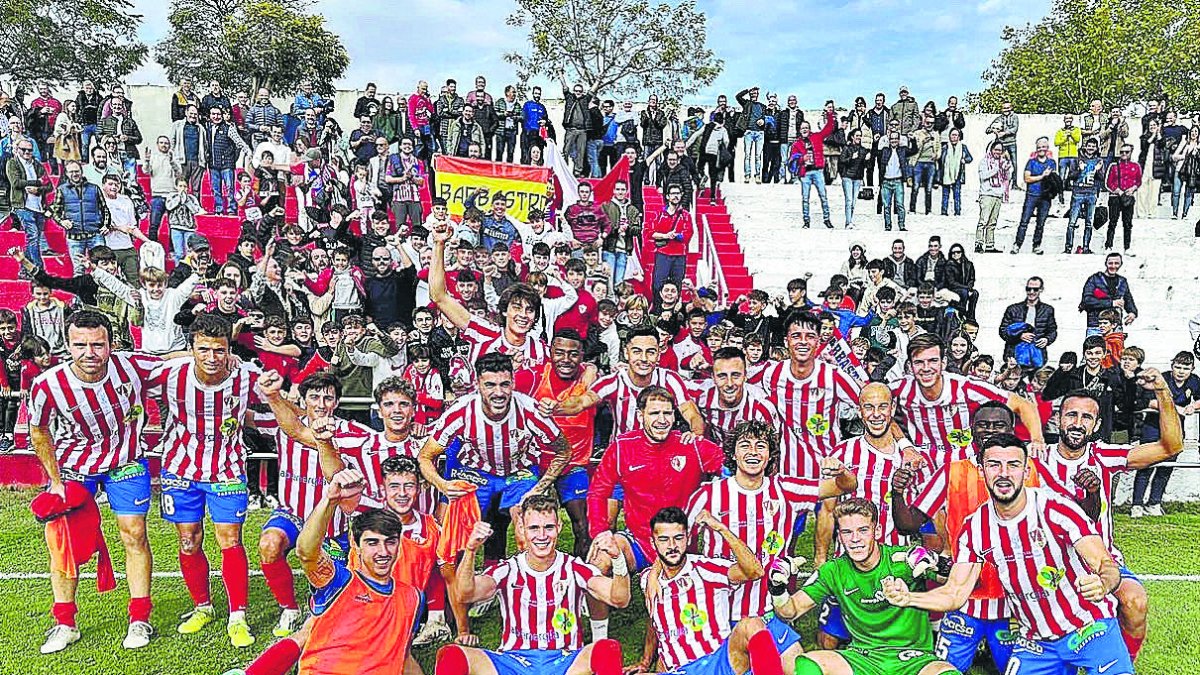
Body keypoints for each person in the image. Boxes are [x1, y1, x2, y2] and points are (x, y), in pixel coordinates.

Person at [881, 434, 1133, 675]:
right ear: (981, 471)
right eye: (994, 465)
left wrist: (1103, 583)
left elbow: (1104, 562)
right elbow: (955, 593)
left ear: (1026, 472)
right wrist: (908, 598)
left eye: (1013, 465)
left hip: (1090, 626)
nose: (1003, 473)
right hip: (1036, 640)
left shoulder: (1057, 509)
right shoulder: (975, 528)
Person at [27, 311, 158, 654]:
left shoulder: (131, 367)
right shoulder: (47, 385)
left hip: (125, 460)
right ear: (67, 345)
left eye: (98, 345)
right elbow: (38, 430)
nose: (89, 352)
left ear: (111, 345)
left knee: (134, 533)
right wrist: (55, 481)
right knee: (63, 543)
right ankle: (65, 623)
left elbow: (172, 362)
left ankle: (139, 617)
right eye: (80, 345)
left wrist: (221, 354)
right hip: (74, 467)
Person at [1039, 381, 1183, 662]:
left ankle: (1124, 662)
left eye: (1086, 417)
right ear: (1057, 419)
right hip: (1047, 564)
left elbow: (1170, 446)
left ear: (1096, 425)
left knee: (1135, 601)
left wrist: (1163, 392)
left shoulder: (1103, 456)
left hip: (1100, 562)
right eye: (1071, 415)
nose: (1077, 423)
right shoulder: (1034, 457)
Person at [154, 315, 260, 647]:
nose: (212, 357)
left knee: (229, 540)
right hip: (180, 469)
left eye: (219, 349)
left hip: (227, 470)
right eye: (203, 349)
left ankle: (237, 616)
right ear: (191, 349)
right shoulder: (171, 375)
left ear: (230, 348)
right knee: (189, 541)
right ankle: (203, 606)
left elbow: (283, 395)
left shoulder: (246, 376)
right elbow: (135, 367)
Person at [583, 385, 722, 639]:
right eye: (654, 413)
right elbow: (597, 492)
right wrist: (601, 531)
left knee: (682, 619)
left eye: (667, 413)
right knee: (598, 562)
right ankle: (599, 639)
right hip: (638, 540)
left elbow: (729, 466)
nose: (662, 420)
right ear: (640, 415)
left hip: (678, 544)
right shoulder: (623, 447)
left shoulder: (689, 446)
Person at [435, 494, 629, 675]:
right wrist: (470, 550)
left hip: (564, 661)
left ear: (559, 526)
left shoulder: (574, 568)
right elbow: (464, 594)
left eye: (549, 527)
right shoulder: (507, 570)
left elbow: (619, 599)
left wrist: (617, 558)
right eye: (534, 528)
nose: (542, 536)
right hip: (513, 661)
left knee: (606, 649)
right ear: (521, 529)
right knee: (451, 655)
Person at [772, 498, 957, 675]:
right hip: (863, 657)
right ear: (839, 535)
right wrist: (778, 588)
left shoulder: (903, 560)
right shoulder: (834, 570)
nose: (855, 539)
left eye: (862, 530)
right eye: (847, 532)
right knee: (808, 664)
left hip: (915, 658)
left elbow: (953, 581)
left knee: (947, 673)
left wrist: (936, 562)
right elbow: (790, 611)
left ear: (877, 531)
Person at [417, 352, 570, 567]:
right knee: (454, 538)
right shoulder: (461, 411)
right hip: (474, 472)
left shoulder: (530, 410)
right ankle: (458, 594)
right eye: (490, 385)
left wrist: (539, 487)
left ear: (513, 382)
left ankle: (528, 591)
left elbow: (563, 451)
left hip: (519, 473)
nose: (498, 393)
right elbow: (425, 456)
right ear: (478, 383)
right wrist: (443, 485)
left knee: (526, 531)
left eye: (505, 384)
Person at [627, 506, 792, 675]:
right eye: (663, 539)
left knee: (752, 624)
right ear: (653, 542)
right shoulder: (648, 580)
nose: (672, 545)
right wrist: (646, 662)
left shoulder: (705, 568)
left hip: (718, 662)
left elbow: (755, 571)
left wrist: (721, 528)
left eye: (678, 538)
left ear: (687, 538)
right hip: (679, 671)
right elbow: (657, 621)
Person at [294, 471, 423, 675]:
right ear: (355, 544)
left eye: (390, 542)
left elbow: (402, 655)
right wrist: (330, 499)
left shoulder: (413, 597)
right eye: (372, 543)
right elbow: (306, 552)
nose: (383, 552)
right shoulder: (339, 581)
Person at [891, 333, 1044, 463]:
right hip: (924, 463)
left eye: (933, 361)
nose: (926, 368)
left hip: (965, 462)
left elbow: (1023, 405)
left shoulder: (965, 387)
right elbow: (872, 405)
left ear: (943, 362)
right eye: (918, 362)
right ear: (910, 366)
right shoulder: (901, 388)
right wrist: (905, 445)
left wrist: (1037, 440)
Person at [752, 311, 862, 476]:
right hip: (788, 475)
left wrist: (904, 445)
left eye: (810, 336)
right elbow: (737, 376)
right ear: (786, 341)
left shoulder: (834, 376)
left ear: (818, 342)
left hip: (827, 475)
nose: (803, 341)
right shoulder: (771, 374)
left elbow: (869, 403)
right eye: (796, 336)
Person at [1131, 352, 1199, 518]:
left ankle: (1154, 503)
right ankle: (1137, 505)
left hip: (1176, 429)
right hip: (1153, 427)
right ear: (1172, 366)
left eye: (1185, 368)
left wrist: (1193, 406)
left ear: (1192, 369)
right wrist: (1179, 409)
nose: (1181, 371)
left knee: (1166, 468)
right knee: (1146, 466)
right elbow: (1150, 402)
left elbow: (1198, 399)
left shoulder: (1195, 381)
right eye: (1178, 367)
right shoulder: (1161, 378)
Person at [1011, 136, 1057, 255]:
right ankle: (1017, 244)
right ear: (1036, 149)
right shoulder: (1031, 162)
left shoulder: (1052, 163)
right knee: (1024, 221)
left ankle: (1036, 245)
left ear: (1047, 148)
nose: (1041, 149)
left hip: (1045, 197)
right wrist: (1042, 176)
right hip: (1032, 195)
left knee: (1040, 223)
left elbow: (1053, 179)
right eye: (1039, 147)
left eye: (1044, 147)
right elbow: (1027, 178)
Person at [998, 276, 1057, 368]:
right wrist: (1019, 336)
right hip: (1014, 357)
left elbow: (1052, 331)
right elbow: (1002, 331)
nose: (1031, 292)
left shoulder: (1048, 310)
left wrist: (1047, 340)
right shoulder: (1013, 309)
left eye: (1035, 289)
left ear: (1041, 290)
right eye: (1028, 289)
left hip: (1038, 357)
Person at [648, 183, 693, 294]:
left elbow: (688, 234)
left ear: (681, 195)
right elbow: (649, 232)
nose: (675, 196)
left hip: (679, 255)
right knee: (658, 284)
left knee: (677, 285)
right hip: (663, 253)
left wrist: (677, 236)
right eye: (673, 193)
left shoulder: (686, 215)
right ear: (667, 196)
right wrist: (665, 236)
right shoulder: (659, 214)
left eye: (678, 193)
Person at [1079, 252, 1137, 336]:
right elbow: (1086, 301)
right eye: (1110, 263)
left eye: (1116, 263)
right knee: (1093, 349)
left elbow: (1128, 299)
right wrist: (1111, 303)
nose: (1113, 266)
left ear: (1121, 264)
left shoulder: (1122, 281)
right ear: (1106, 263)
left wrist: (1132, 313)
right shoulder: (1094, 279)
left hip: (1115, 327)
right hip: (1096, 326)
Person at [1065, 137, 1106, 254]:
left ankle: (1086, 247)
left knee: (1089, 223)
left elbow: (1102, 178)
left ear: (1096, 148)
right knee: (1072, 223)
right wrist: (1079, 169)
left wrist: (1098, 171)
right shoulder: (1077, 159)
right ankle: (1068, 248)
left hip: (1092, 194)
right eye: (1089, 146)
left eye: (1093, 146)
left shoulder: (1099, 161)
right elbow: (1070, 176)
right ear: (1085, 146)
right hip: (1077, 193)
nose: (1091, 148)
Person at [1105, 143, 1141, 253]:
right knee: (1112, 222)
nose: (1124, 154)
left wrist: (1133, 188)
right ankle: (1108, 245)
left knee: (1127, 224)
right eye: (1122, 152)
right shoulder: (1114, 166)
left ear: (1131, 153)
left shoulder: (1135, 166)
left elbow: (1138, 181)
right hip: (1115, 197)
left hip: (1128, 197)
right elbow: (1108, 182)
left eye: (1126, 152)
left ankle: (1127, 247)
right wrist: (1117, 190)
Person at [877, 131, 910, 231]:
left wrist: (912, 139)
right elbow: (875, 153)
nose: (894, 140)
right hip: (886, 181)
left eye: (896, 138)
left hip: (898, 180)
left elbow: (914, 150)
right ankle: (888, 226)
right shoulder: (884, 150)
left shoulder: (903, 150)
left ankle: (902, 225)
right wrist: (876, 141)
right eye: (892, 139)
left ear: (899, 140)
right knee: (886, 206)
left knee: (900, 204)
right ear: (889, 140)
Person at [938, 128, 972, 216]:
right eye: (952, 135)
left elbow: (970, 158)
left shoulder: (963, 147)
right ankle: (944, 212)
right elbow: (940, 160)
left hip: (958, 174)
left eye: (956, 135)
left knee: (957, 195)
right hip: (946, 174)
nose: (954, 137)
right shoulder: (945, 147)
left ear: (959, 137)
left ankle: (957, 212)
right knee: (945, 194)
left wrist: (964, 160)